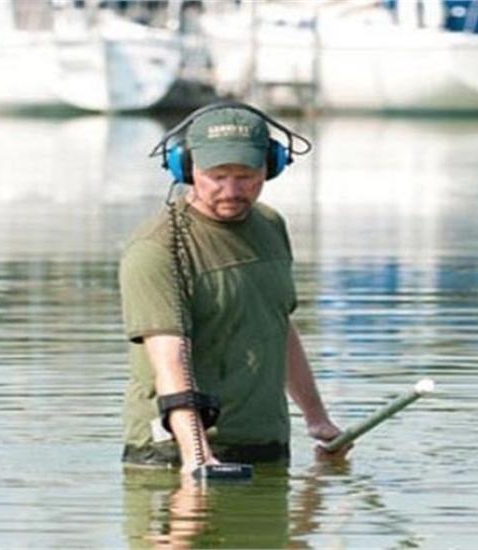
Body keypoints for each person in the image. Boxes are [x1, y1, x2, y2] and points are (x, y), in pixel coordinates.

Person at [119, 105, 346, 476]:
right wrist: (196, 454)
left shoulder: (270, 225)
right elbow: (169, 358)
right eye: (217, 175)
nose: (232, 190)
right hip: (174, 458)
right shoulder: (156, 249)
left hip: (265, 443)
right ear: (186, 168)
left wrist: (317, 420)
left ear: (271, 165)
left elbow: (276, 326)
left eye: (246, 175)